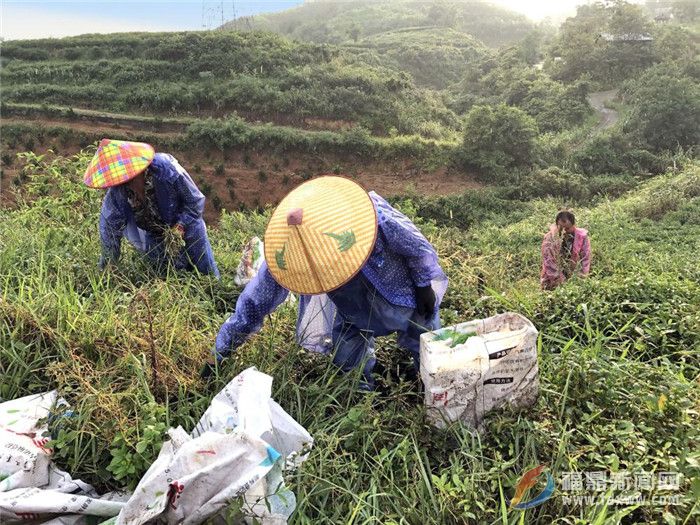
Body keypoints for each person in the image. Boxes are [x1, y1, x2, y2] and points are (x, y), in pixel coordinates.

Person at [202, 176, 448, 389]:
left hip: (402, 295)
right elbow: (255, 301)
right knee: (349, 368)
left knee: (430, 351)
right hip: (353, 312)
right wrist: (221, 352)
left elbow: (416, 246)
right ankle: (361, 395)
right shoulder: (287, 255)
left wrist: (423, 284)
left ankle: (433, 389)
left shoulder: (369, 214)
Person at [84, 139, 219, 277]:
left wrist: (181, 225)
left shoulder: (166, 169)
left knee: (204, 272)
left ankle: (214, 292)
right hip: (155, 237)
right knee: (166, 277)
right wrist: (108, 265)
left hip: (189, 227)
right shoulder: (118, 192)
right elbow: (110, 228)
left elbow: (193, 201)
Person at [540, 210, 590, 290]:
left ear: (573, 225)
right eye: (561, 228)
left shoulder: (582, 236)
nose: (564, 231)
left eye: (567, 228)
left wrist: (581, 276)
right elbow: (549, 262)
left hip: (574, 273)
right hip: (553, 277)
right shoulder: (550, 239)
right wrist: (561, 281)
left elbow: (585, 258)